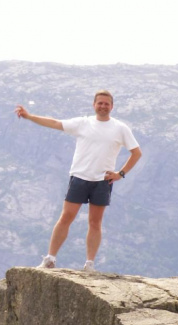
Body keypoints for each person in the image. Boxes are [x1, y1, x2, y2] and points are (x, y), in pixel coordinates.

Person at [15, 90, 142, 271]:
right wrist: (29, 116)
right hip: (80, 177)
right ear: (94, 105)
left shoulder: (120, 128)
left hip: (102, 181)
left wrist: (120, 174)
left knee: (95, 223)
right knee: (66, 217)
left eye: (106, 103)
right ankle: (50, 259)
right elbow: (55, 123)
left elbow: (136, 153)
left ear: (112, 107)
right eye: (100, 103)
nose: (103, 106)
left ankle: (89, 264)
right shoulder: (83, 123)